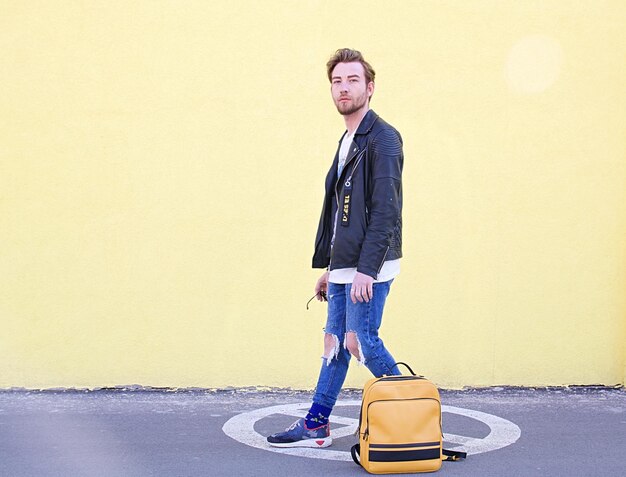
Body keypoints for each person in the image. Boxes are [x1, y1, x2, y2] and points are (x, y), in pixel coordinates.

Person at [267, 48, 404, 448]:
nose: (344, 88)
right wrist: (331, 266)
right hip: (347, 264)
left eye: (353, 80)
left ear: (370, 87)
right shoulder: (347, 140)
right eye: (337, 81)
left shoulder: (383, 138)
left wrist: (366, 269)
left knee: (360, 340)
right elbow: (342, 213)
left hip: (370, 264)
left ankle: (411, 408)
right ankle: (316, 421)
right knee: (334, 343)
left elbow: (385, 210)